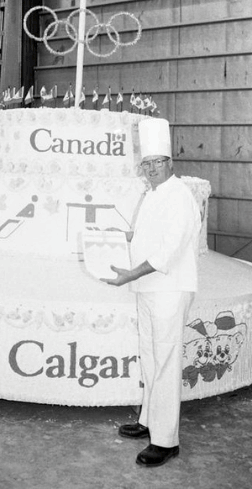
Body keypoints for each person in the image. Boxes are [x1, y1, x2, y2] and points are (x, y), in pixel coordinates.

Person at [103, 118, 200, 467]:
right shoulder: (151, 195)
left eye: (157, 163)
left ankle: (166, 440)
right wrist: (114, 241)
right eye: (146, 164)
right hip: (147, 287)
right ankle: (148, 421)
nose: (151, 169)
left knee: (166, 361)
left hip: (169, 288)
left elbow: (168, 252)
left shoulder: (180, 196)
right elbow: (143, 239)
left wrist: (131, 273)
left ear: (170, 164)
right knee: (150, 355)